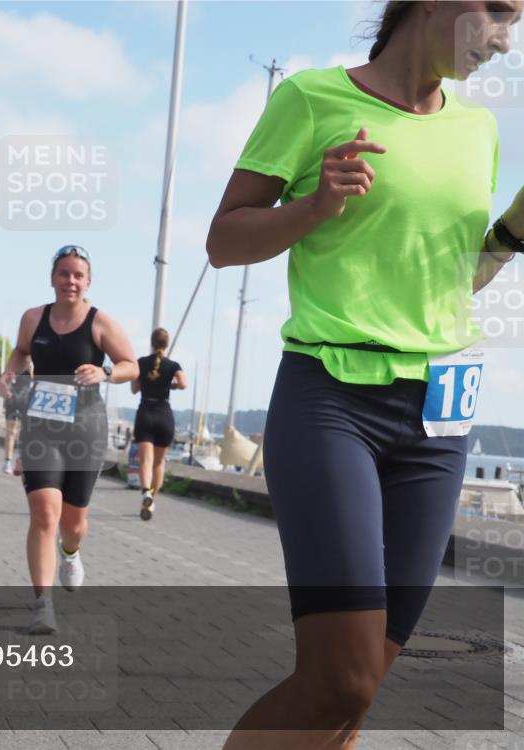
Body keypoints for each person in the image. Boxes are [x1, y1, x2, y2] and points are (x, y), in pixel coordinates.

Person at [206, 2, 522, 747]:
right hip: (332, 401)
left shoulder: (478, 130)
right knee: (340, 679)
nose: (507, 42)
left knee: (358, 694)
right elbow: (223, 241)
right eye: (500, 14)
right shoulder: (313, 98)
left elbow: (451, 280)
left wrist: (512, 232)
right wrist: (315, 205)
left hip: (439, 419)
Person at [0, 245, 137, 634]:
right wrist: (11, 372)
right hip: (41, 427)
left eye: (78, 275)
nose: (70, 281)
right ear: (52, 278)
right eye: (64, 274)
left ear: (88, 282)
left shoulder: (100, 324)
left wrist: (105, 372)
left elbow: (131, 365)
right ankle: (43, 604)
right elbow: (22, 352)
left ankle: (71, 551)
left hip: (85, 429)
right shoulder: (33, 318)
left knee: (73, 522)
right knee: (45, 513)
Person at [130, 328, 187, 520]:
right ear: (167, 344)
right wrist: (171, 385)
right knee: (159, 463)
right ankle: (151, 498)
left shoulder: (141, 363)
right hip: (164, 416)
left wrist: (146, 384)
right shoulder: (173, 365)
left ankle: (146, 492)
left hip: (145, 414)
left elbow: (134, 389)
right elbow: (184, 383)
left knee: (145, 461)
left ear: (152, 342)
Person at [2, 362, 33, 475]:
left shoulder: (33, 367)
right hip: (13, 400)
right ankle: (7, 462)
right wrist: (6, 386)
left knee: (24, 433)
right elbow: (3, 381)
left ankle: (20, 459)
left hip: (26, 401)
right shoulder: (14, 364)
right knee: (11, 432)